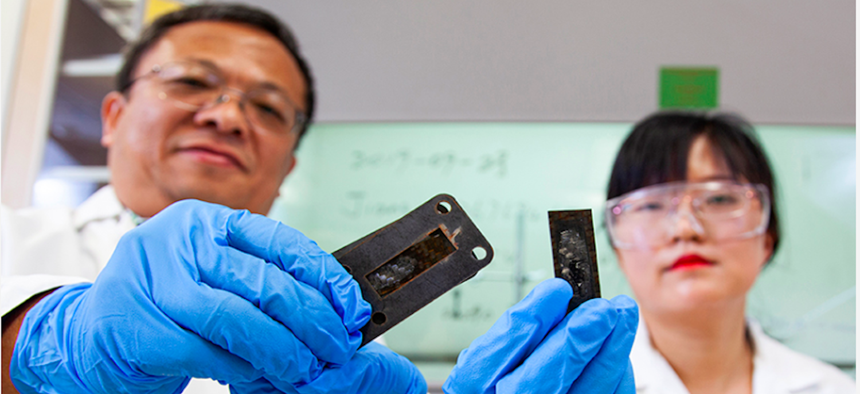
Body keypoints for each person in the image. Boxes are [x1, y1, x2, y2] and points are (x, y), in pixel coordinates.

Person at [2, 3, 638, 394]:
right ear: (112, 115)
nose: (227, 117)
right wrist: (44, 342)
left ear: (288, 165)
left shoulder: (346, 341)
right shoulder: (11, 243)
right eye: (194, 82)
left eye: (268, 108)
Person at [603, 111, 855, 393]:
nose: (685, 229)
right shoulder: (589, 388)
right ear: (617, 247)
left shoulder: (833, 389)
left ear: (768, 238)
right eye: (651, 204)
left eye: (719, 198)